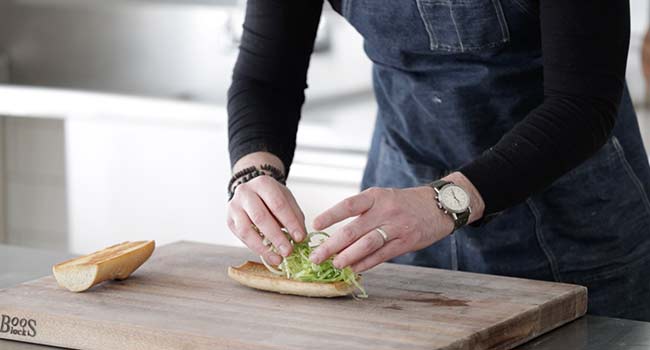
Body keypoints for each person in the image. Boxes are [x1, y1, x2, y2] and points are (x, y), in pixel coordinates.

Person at [226, 0, 650, 321]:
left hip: (574, 226)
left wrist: (446, 201)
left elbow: (582, 103)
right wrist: (253, 171)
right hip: (399, 222)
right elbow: (265, 78)